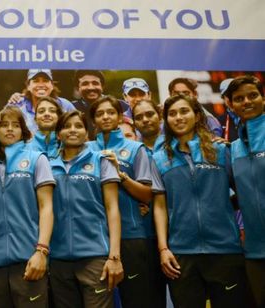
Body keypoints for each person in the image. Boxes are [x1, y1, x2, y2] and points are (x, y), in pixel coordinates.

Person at [152, 94, 245, 307]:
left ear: (196, 115)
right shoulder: (159, 159)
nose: (178, 117)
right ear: (166, 121)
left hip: (225, 250)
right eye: (172, 114)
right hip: (181, 253)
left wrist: (227, 214)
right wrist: (163, 248)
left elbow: (244, 192)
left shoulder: (220, 151)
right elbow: (159, 206)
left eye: (184, 111)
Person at [0, 106, 54, 308]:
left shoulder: (37, 159)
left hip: (29, 259)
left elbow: (46, 207)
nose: (10, 129)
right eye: (4, 125)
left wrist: (41, 251)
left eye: (16, 125)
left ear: (23, 131)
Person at [50, 110, 123, 308]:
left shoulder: (101, 161)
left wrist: (114, 256)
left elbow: (113, 208)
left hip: (95, 257)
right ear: (58, 134)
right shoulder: (47, 165)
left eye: (79, 126)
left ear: (87, 133)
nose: (73, 130)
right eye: (66, 126)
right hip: (57, 259)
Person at [87, 95, 154, 308]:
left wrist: (120, 174)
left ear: (119, 116)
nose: (105, 117)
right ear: (93, 120)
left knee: (136, 300)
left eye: (110, 112)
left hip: (130, 236)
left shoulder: (136, 149)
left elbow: (146, 195)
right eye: (99, 113)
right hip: (93, 241)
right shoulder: (85, 148)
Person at [224, 76, 265, 307]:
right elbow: (237, 193)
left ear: (263, 98)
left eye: (253, 95)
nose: (246, 102)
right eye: (239, 98)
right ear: (231, 104)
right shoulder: (234, 148)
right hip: (254, 251)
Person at [132, 99, 168, 308]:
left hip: (178, 232)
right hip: (144, 235)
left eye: (149, 114)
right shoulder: (134, 149)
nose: (145, 120)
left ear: (159, 115)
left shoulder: (176, 145)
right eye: (139, 117)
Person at [8, 69, 75, 133]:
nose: (41, 85)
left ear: (52, 85)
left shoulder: (65, 105)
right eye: (36, 81)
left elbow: (78, 127)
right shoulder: (16, 105)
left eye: (45, 81)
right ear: (28, 86)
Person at [72, 70, 106, 139]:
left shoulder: (120, 105)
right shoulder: (71, 108)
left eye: (95, 83)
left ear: (102, 87)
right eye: (85, 84)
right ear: (78, 88)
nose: (91, 87)